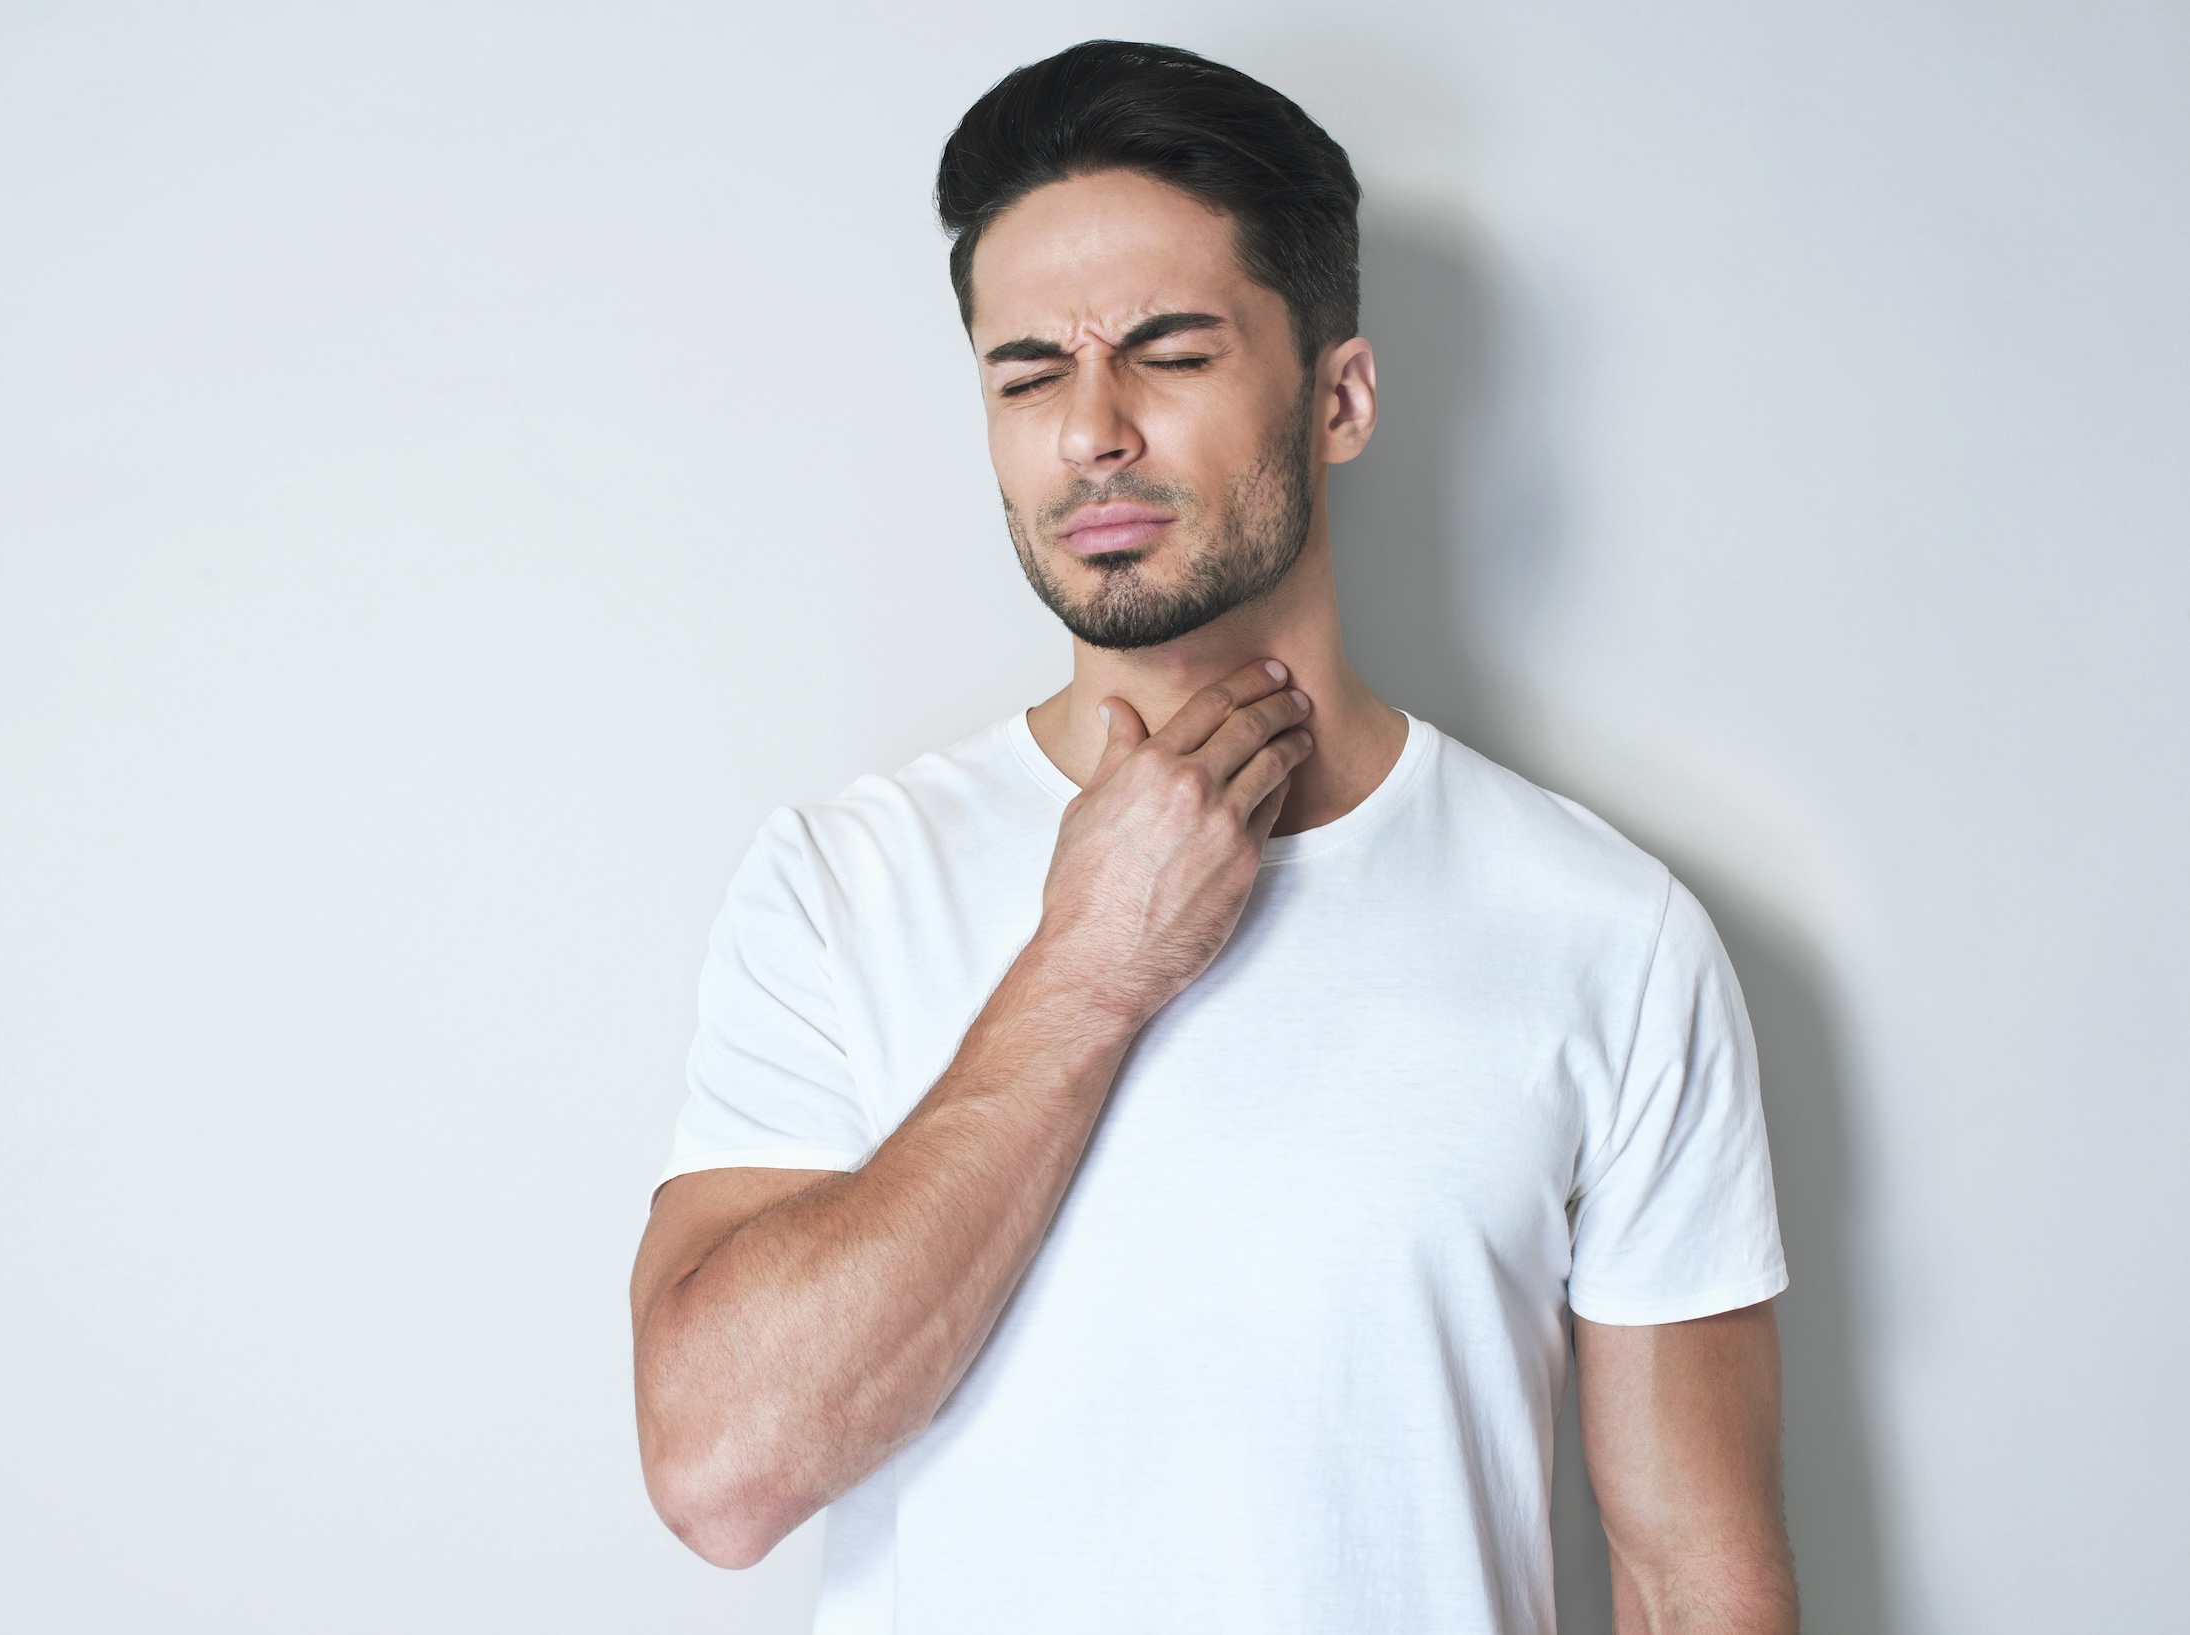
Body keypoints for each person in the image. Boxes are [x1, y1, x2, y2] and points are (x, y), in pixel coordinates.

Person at [629, 39, 1796, 1635]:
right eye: (1028, 372)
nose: (1091, 430)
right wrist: (1091, 966)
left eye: (1167, 353)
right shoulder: (841, 886)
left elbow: (1690, 1582)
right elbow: (717, 1472)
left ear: (1338, 397)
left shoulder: (1604, 930)